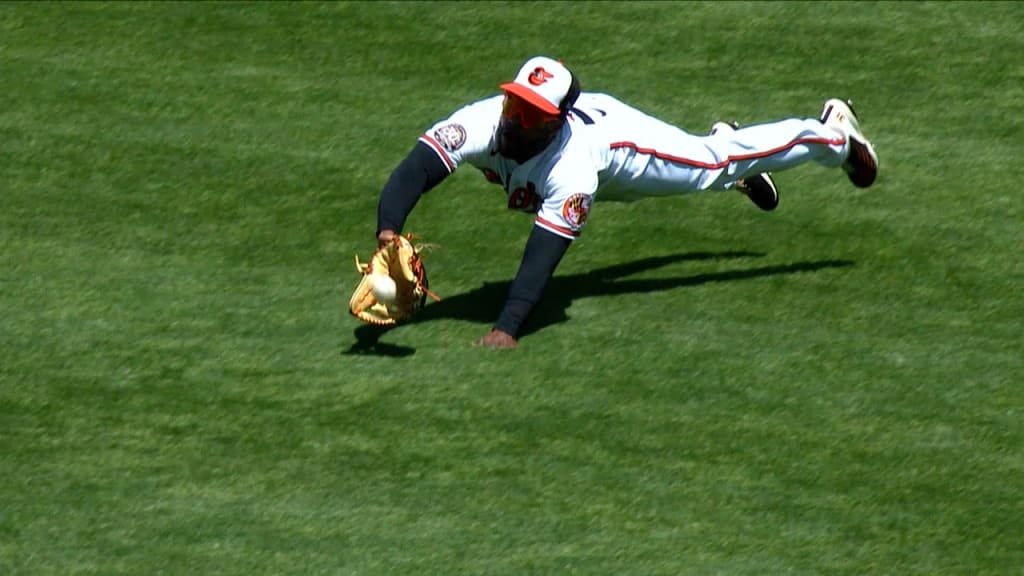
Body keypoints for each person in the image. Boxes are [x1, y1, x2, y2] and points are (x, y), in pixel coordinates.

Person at [373, 56, 878, 349]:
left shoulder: (571, 168)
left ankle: (830, 135)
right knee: (711, 170)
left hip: (620, 148)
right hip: (590, 166)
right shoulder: (482, 122)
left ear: (554, 121)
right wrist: (388, 231)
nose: (515, 118)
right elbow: (416, 168)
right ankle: (740, 167)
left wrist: (506, 329)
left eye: (531, 114)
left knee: (710, 164)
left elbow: (541, 258)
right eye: (515, 104)